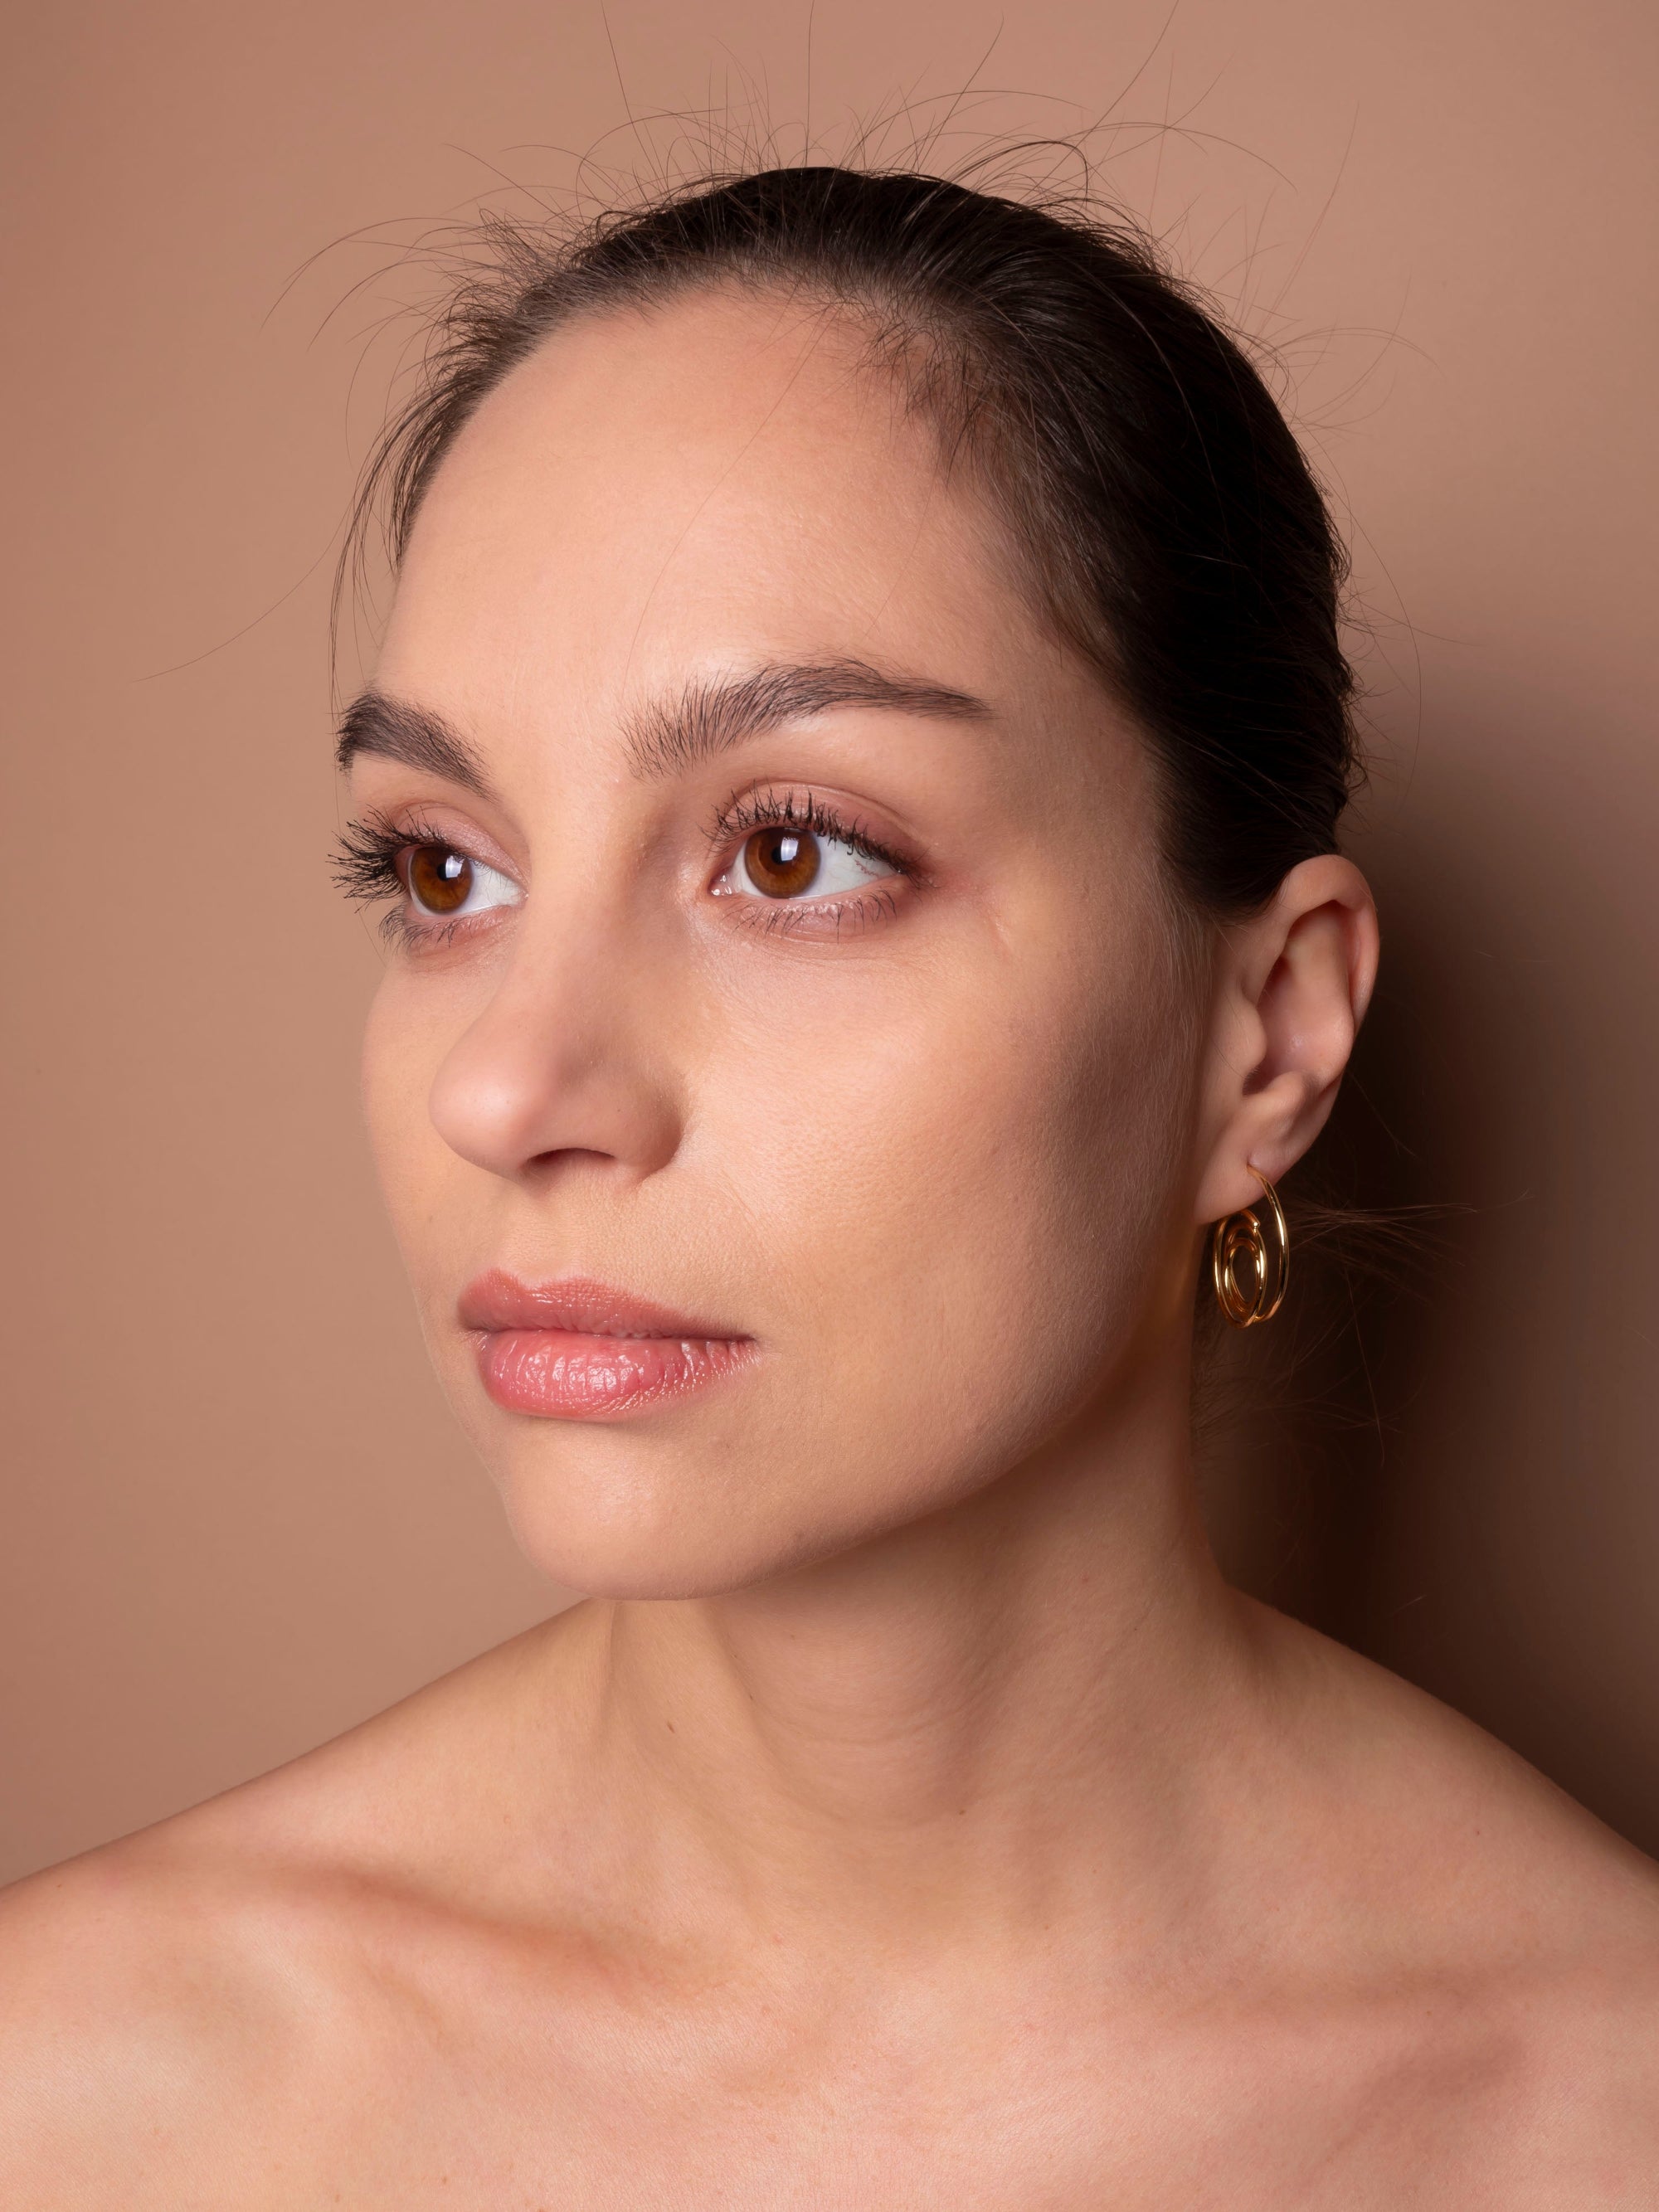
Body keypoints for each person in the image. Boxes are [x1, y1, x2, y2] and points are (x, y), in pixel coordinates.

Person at [3, 164, 1657, 2205]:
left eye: (791, 853)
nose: (508, 1086)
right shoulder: (75, 2092)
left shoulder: (1598, 2111)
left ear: (1272, 1034)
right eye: (445, 869)